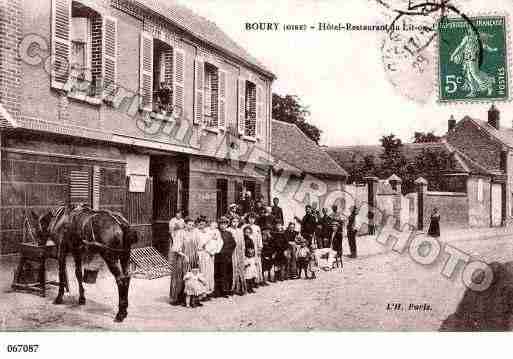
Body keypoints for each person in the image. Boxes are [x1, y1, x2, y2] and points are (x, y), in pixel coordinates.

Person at [214, 217, 236, 298]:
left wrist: (228, 252)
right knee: (218, 273)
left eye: (225, 224)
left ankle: (226, 290)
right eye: (221, 224)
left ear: (227, 225)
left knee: (227, 273)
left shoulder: (229, 234)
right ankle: (217, 291)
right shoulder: (217, 233)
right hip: (218, 257)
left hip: (227, 257)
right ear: (219, 225)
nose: (223, 226)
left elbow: (233, 244)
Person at [196, 216, 218, 298]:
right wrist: (203, 246)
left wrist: (211, 250)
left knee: (209, 273)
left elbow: (213, 241)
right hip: (200, 254)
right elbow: (198, 245)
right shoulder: (197, 233)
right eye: (200, 224)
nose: (202, 226)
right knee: (202, 273)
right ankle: (200, 293)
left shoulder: (207, 232)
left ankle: (207, 292)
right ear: (198, 224)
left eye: (204, 224)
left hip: (208, 254)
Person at [244, 213, 265, 286]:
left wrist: (260, 248)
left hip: (255, 247)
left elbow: (259, 238)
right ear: (248, 218)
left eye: (253, 218)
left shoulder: (257, 227)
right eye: (250, 218)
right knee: (249, 265)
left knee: (257, 263)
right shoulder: (245, 226)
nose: (251, 220)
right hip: (247, 248)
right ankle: (248, 281)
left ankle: (257, 281)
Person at [169, 220, 187, 305]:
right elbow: (176, 248)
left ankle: (181, 297)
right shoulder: (179, 233)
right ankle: (175, 298)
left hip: (182, 257)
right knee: (178, 277)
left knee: (182, 276)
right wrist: (183, 254)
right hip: (179, 257)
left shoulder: (184, 233)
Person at [229, 217, 246, 295]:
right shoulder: (229, 230)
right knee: (234, 268)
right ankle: (234, 287)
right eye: (233, 221)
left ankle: (242, 287)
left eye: (236, 221)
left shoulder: (240, 230)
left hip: (240, 252)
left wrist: (243, 251)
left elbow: (242, 242)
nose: (235, 223)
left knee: (241, 269)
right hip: (233, 252)